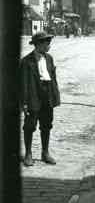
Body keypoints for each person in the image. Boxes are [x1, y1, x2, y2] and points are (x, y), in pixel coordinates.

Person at [20, 31, 60, 166]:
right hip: (33, 96)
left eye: (49, 42)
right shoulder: (27, 61)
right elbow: (23, 83)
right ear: (38, 45)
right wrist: (24, 103)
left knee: (47, 125)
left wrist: (55, 96)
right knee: (30, 126)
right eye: (46, 43)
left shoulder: (49, 58)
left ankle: (45, 152)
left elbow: (53, 78)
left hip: (47, 95)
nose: (49, 45)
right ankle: (28, 154)